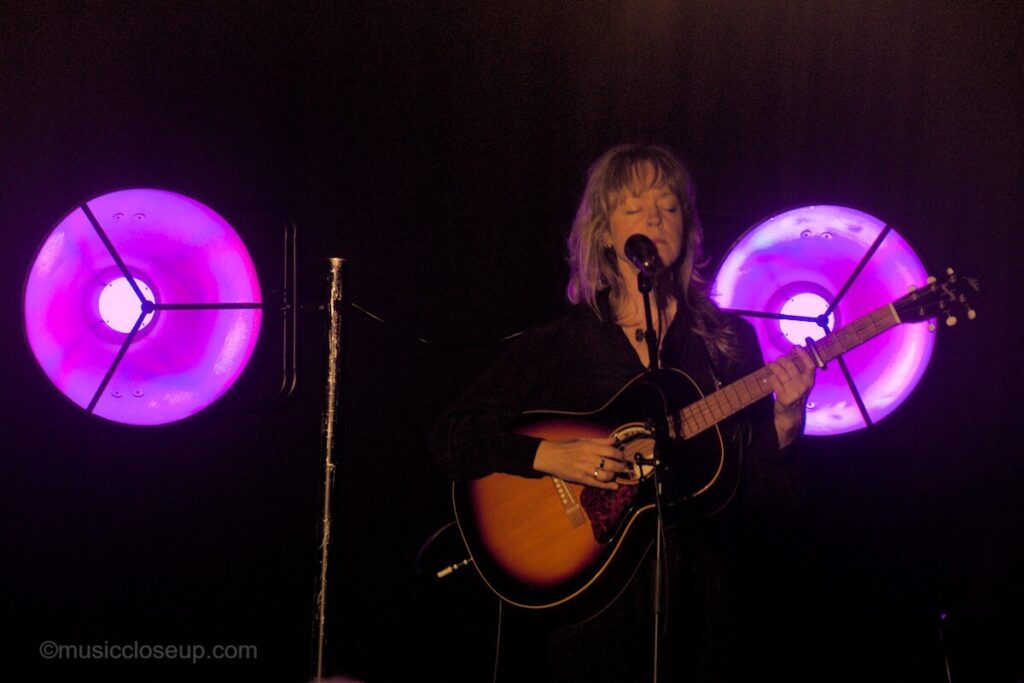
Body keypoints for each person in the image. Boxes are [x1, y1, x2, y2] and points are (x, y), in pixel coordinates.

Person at [429, 144, 817, 682]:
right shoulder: (559, 344)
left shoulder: (726, 342)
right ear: (605, 233)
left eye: (670, 205)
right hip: (594, 609)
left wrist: (787, 417)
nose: (656, 219)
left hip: (699, 600)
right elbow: (453, 436)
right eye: (636, 207)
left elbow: (764, 495)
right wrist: (548, 455)